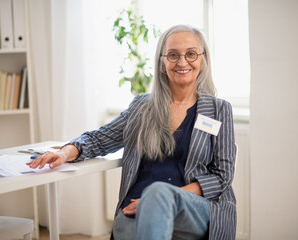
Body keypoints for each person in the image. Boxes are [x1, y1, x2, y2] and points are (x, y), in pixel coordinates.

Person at [27, 24, 237, 240]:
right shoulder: (141, 107)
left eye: (191, 54)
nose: (182, 62)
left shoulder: (219, 110)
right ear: (162, 63)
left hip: (193, 208)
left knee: (158, 192)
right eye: (173, 55)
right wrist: (63, 153)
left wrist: (157, 200)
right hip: (134, 208)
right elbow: (99, 139)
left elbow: (222, 177)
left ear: (203, 60)